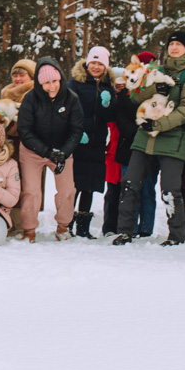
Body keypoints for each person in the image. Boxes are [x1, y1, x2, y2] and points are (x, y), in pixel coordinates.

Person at [113, 31, 185, 247]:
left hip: (174, 137)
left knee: (170, 189)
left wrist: (159, 124)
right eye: (171, 44)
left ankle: (175, 235)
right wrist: (154, 88)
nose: (174, 48)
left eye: (179, 45)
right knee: (130, 183)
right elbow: (135, 97)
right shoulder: (157, 70)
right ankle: (124, 231)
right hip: (145, 136)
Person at [16, 58, 84, 242]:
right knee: (31, 191)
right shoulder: (30, 99)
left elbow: (76, 130)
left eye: (54, 81)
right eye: (46, 83)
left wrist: (63, 152)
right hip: (33, 151)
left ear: (60, 79)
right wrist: (46, 152)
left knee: (67, 190)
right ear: (39, 83)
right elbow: (24, 130)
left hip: (62, 150)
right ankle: (29, 230)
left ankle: (63, 226)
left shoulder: (71, 99)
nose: (51, 86)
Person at [104, 51, 159, 237]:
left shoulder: (156, 91)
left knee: (147, 190)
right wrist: (136, 132)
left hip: (152, 147)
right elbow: (120, 116)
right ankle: (129, 226)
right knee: (129, 189)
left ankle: (146, 227)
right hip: (129, 146)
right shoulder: (127, 92)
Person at [67, 47, 117, 238]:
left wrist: (108, 103)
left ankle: (83, 228)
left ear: (105, 66)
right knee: (74, 185)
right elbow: (67, 110)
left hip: (97, 142)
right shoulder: (75, 84)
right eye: (93, 63)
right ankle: (66, 224)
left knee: (89, 184)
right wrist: (76, 133)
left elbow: (110, 116)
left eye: (100, 63)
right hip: (78, 141)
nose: (96, 66)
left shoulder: (107, 87)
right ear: (87, 63)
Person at [0, 59, 36, 140]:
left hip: (27, 142)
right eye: (15, 76)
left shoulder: (34, 94)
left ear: (31, 76)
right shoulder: (6, 94)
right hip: (7, 142)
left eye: (22, 75)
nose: (18, 79)